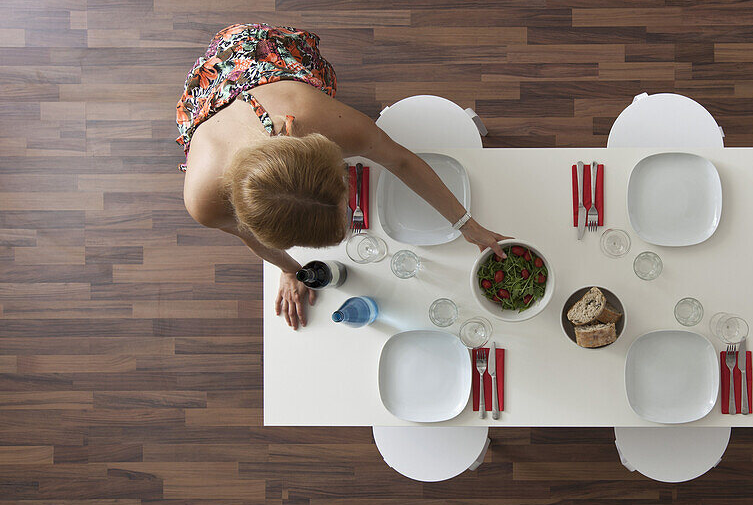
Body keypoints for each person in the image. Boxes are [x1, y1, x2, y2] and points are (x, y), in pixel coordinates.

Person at [176, 23, 509, 330]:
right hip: (217, 99)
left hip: (255, 55)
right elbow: (249, 237)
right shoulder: (204, 203)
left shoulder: (315, 116)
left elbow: (402, 162)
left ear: (331, 155)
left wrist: (466, 223)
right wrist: (289, 270)